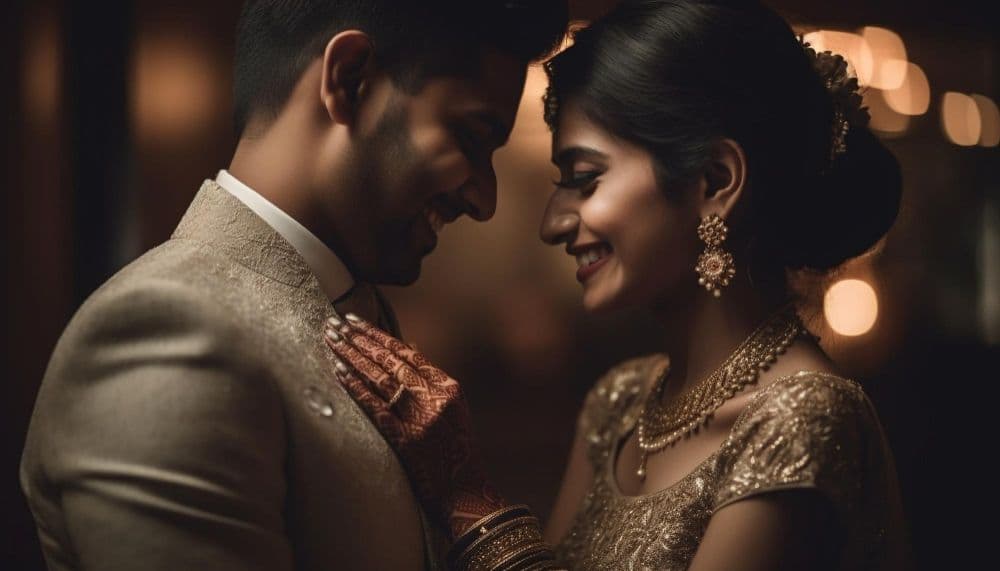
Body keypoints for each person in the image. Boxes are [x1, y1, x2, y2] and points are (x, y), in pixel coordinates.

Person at [324, 0, 912, 569]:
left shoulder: (804, 415)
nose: (551, 223)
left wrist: (467, 498)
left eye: (584, 179)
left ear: (715, 181)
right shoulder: (619, 402)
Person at [19, 1, 568, 569]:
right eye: (470, 137)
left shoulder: (348, 308)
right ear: (351, 79)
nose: (485, 199)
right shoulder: (165, 334)